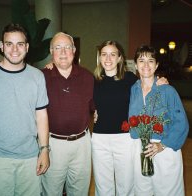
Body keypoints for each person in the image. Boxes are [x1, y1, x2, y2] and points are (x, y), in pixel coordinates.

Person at [0, 23, 50, 196]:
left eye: (20, 44)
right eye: (9, 44)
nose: (15, 49)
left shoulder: (37, 76)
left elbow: (41, 115)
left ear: (27, 47)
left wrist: (44, 151)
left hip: (30, 160)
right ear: (2, 46)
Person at [92, 40, 169, 196]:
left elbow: (148, 81)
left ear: (120, 58)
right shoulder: (93, 80)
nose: (108, 59)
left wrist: (160, 80)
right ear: (99, 58)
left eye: (113, 54)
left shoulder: (130, 79)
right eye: (104, 55)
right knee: (102, 184)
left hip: (124, 139)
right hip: (100, 139)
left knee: (125, 184)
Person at [129, 45, 189, 196]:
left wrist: (162, 145)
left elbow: (181, 123)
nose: (146, 65)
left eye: (150, 61)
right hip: (139, 150)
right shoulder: (133, 90)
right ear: (135, 65)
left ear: (156, 65)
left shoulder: (168, 90)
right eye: (141, 60)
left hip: (165, 150)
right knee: (142, 192)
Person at [41, 32, 94, 196]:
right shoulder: (41, 77)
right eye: (58, 48)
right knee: (51, 191)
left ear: (74, 50)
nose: (63, 52)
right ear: (51, 52)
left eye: (67, 47)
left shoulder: (87, 77)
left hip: (82, 145)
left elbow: (96, 105)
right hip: (53, 145)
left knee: (80, 191)